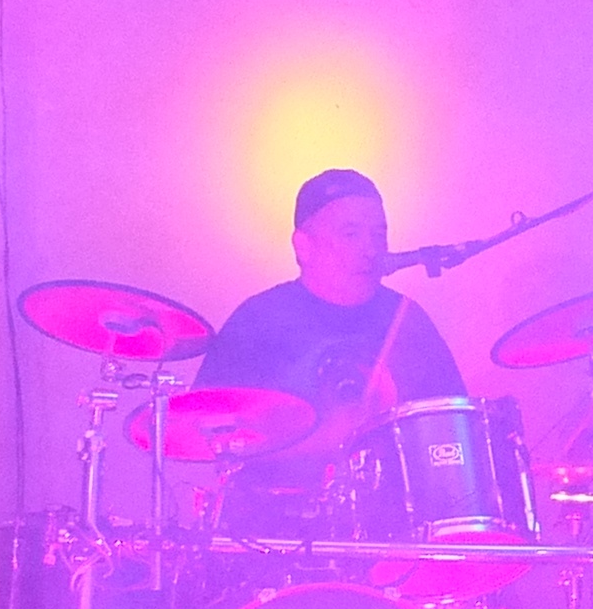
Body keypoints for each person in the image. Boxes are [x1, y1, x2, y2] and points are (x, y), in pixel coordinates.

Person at [196, 168, 466, 532]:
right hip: (276, 537)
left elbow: (454, 431)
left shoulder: (407, 320)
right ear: (303, 246)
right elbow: (209, 435)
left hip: (397, 533)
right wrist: (323, 437)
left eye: (379, 234)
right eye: (350, 234)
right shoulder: (259, 320)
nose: (371, 250)